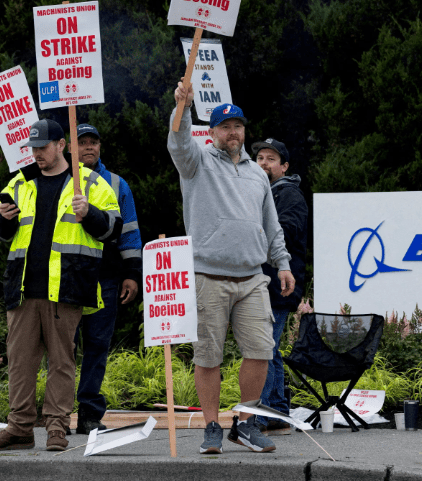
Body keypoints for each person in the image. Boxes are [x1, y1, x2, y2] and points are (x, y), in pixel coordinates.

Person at [0, 119, 122, 452]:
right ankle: (19, 428)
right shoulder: (19, 182)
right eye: (33, 148)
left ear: (62, 145)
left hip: (67, 286)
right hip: (24, 289)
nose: (37, 154)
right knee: (20, 362)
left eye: (43, 147)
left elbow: (114, 229)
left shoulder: (89, 182)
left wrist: (91, 214)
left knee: (62, 362)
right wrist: (3, 218)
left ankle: (57, 427)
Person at [167, 83, 295, 454]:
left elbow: (271, 225)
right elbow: (178, 141)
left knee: (260, 351)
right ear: (212, 133)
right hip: (208, 276)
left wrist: (282, 264)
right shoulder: (196, 162)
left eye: (237, 126)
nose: (232, 132)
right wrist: (184, 106)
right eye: (225, 127)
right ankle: (211, 427)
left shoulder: (258, 174)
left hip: (253, 277)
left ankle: (246, 423)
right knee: (208, 356)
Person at [71, 123, 141, 434]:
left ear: (100, 146)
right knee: (63, 348)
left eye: (93, 142)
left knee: (97, 346)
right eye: (82, 142)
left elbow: (129, 232)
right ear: (70, 148)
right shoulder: (59, 180)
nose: (88, 147)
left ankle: (88, 415)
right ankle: (59, 414)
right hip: (68, 277)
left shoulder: (116, 183)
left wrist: (132, 274)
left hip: (107, 277)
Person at [251, 138, 308, 434]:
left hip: (278, 286)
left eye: (270, 158)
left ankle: (266, 413)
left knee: (264, 348)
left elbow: (283, 232)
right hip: (265, 284)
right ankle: (275, 411)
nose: (263, 163)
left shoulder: (289, 195)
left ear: (284, 167)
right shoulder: (261, 194)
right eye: (259, 157)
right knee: (268, 348)